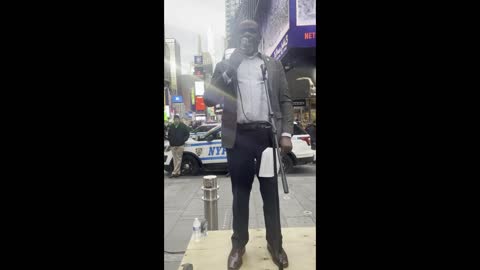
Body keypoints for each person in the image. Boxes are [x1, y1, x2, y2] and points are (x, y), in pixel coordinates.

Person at [204, 20, 293, 269]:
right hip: (239, 138)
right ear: (236, 37)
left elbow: (285, 100)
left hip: (267, 138)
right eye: (243, 33)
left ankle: (275, 244)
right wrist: (229, 68)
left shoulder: (273, 65)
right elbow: (209, 99)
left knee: (270, 195)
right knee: (239, 196)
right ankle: (238, 245)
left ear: (259, 36)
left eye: (252, 32)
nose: (247, 36)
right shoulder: (227, 65)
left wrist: (286, 133)